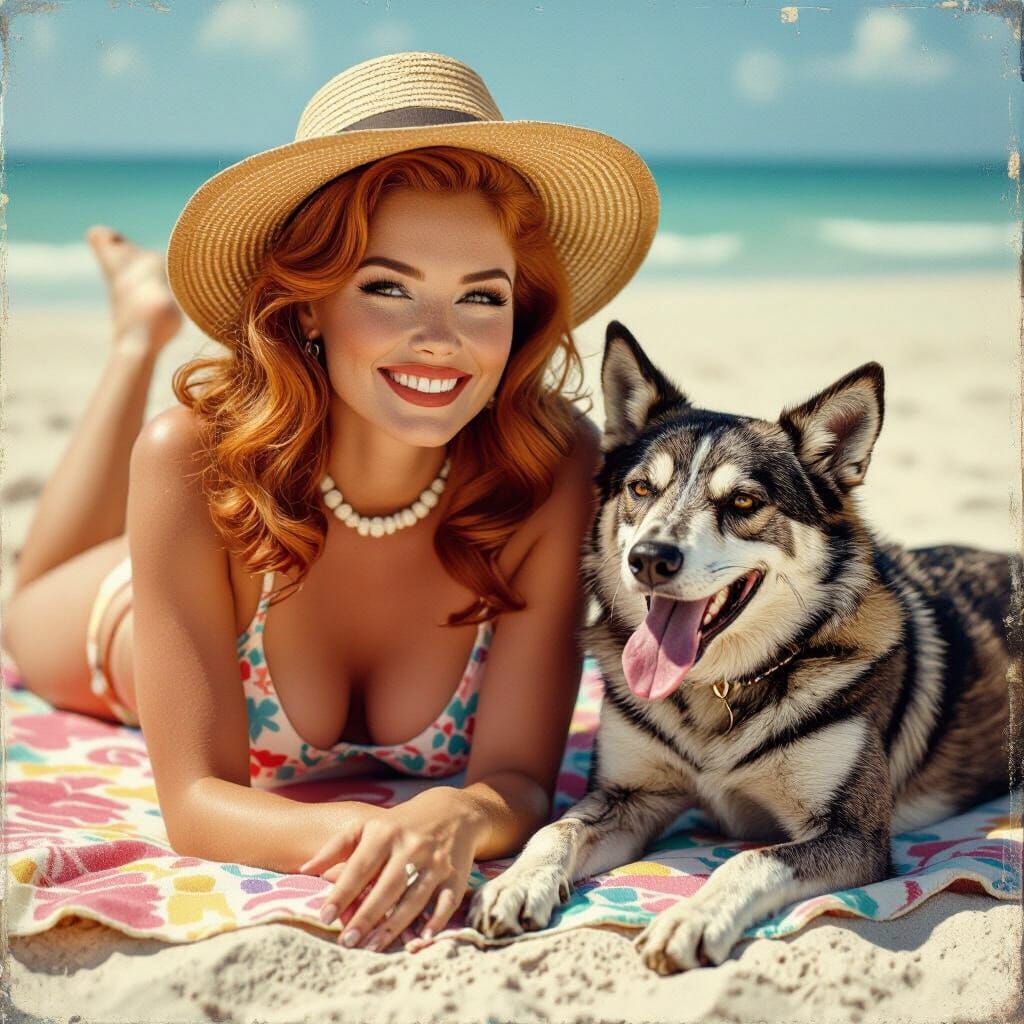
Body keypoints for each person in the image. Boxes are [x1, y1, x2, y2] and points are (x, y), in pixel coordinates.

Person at [1, 51, 658, 951]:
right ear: (309, 305)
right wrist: (373, 835)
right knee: (24, 601)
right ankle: (135, 339)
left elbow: (517, 779)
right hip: (139, 601)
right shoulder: (190, 460)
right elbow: (194, 804)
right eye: (387, 287)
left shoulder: (552, 468)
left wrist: (457, 819)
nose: (442, 341)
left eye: (481, 296)